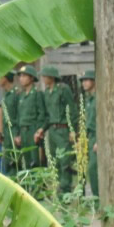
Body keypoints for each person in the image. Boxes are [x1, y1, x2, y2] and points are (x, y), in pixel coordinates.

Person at [35, 65, 77, 194]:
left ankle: (66, 190)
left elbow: (72, 109)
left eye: (45, 76)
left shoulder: (63, 89)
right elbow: (48, 115)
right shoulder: (47, 92)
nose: (43, 79)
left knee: (65, 161)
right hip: (52, 131)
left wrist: (72, 129)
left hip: (63, 129)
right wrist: (42, 129)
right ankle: (58, 189)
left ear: (51, 77)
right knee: (54, 161)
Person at [15, 65, 44, 169]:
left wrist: (38, 131)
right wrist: (18, 134)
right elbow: (19, 116)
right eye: (20, 76)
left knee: (35, 161)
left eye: (24, 76)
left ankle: (39, 185)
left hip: (33, 131)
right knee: (26, 162)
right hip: (23, 132)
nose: (21, 78)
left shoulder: (37, 94)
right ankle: (29, 186)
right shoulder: (21, 96)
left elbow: (42, 114)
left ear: (31, 78)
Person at [79, 70, 98, 197]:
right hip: (88, 137)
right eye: (82, 81)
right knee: (84, 167)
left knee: (93, 168)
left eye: (87, 80)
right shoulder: (88, 99)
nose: (84, 83)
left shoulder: (98, 98)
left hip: (97, 136)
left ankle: (98, 198)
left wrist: (99, 140)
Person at [0, 70, 20, 174]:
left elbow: (19, 115)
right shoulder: (6, 95)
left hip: (14, 131)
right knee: (7, 159)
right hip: (7, 133)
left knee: (15, 160)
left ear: (5, 79)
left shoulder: (16, 94)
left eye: (0, 77)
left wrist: (18, 134)